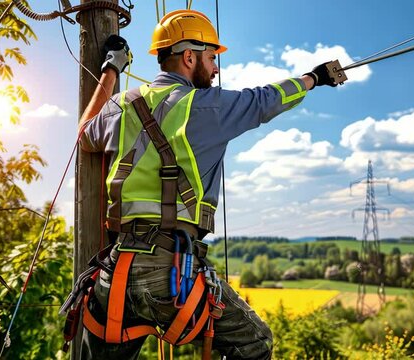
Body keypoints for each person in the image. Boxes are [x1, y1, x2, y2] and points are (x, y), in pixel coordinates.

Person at [76, 9, 344, 360]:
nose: (216, 68)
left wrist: (111, 69)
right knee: (254, 345)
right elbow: (266, 100)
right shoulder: (203, 107)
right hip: (167, 271)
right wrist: (314, 77)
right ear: (189, 57)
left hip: (115, 275)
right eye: (211, 57)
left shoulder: (120, 107)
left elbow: (84, 135)